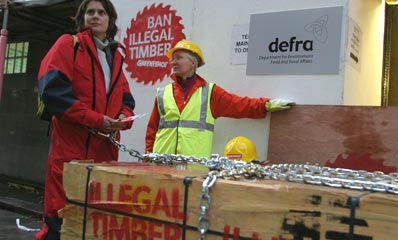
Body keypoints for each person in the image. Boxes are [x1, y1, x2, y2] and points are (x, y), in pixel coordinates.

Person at [35, 0, 135, 239]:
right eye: (90, 12)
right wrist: (96, 119)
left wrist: (125, 118)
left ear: (110, 20)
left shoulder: (116, 57)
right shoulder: (68, 45)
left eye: (101, 12)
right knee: (61, 222)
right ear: (82, 18)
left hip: (105, 156)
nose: (95, 16)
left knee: (95, 224)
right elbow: (53, 93)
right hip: (70, 153)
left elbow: (126, 99)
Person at [145, 40, 294, 159]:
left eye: (179, 58)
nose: (173, 62)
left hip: (193, 168)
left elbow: (238, 105)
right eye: (173, 59)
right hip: (161, 164)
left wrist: (265, 105)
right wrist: (148, 157)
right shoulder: (163, 93)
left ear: (193, 63)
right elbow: (152, 130)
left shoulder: (210, 93)